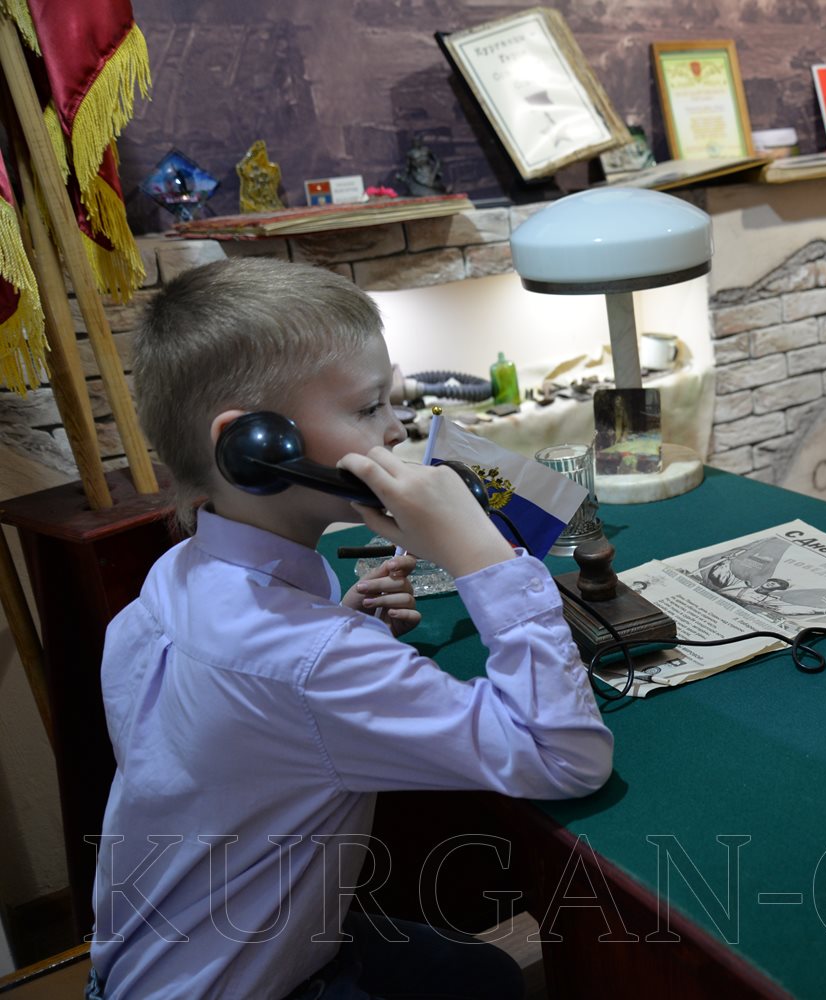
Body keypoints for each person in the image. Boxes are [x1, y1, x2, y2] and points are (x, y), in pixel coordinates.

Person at [89, 258, 614, 999]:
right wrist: (484, 557)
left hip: (155, 961)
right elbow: (565, 758)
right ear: (253, 447)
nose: (397, 427)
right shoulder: (311, 661)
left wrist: (341, 623)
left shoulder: (173, 579)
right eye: (368, 407)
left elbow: (248, 709)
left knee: (484, 974)